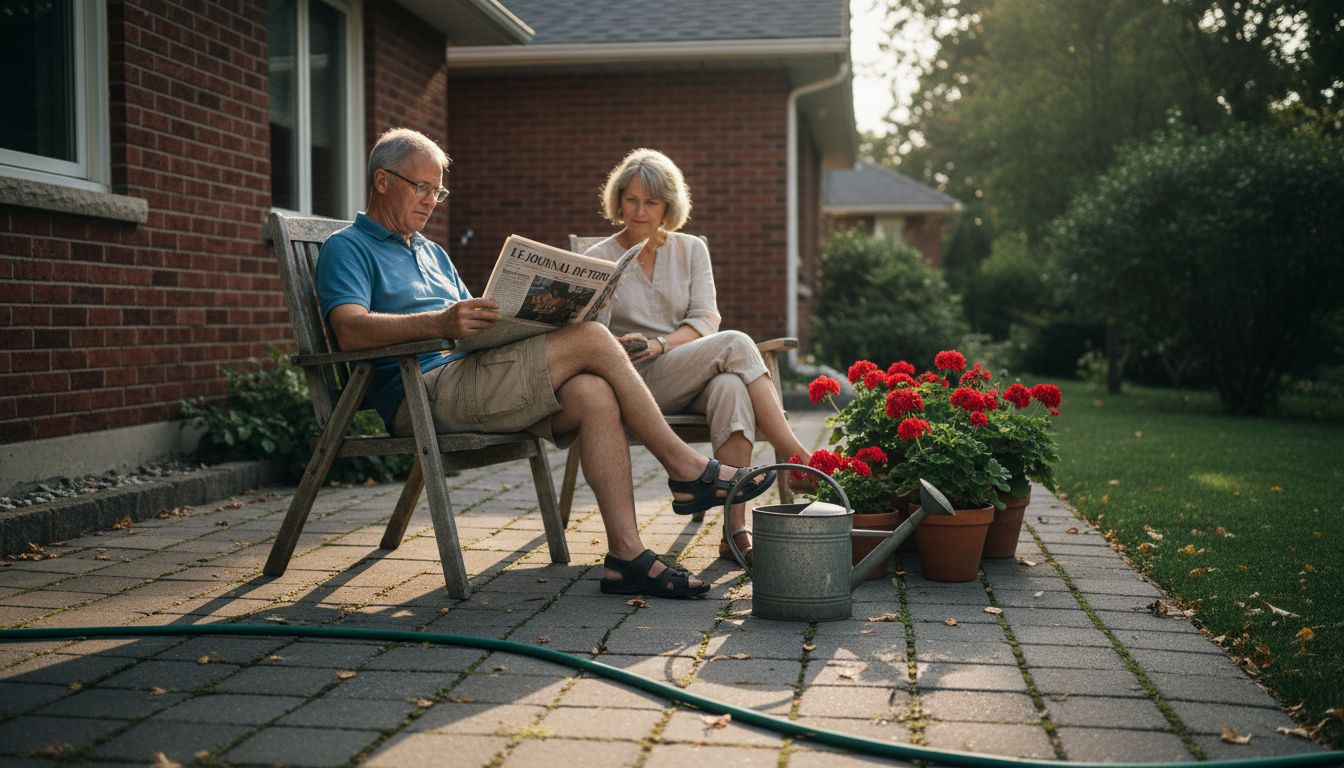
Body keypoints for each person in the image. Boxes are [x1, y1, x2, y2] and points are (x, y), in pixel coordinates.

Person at [315, 128, 775, 599]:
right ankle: (687, 470)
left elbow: (465, 324)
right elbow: (350, 328)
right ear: (383, 181)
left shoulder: (431, 252)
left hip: (468, 375)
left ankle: (626, 556)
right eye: (422, 187)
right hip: (422, 390)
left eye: (438, 190)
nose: (432, 200)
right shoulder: (348, 247)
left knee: (593, 392)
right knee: (593, 339)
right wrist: (442, 322)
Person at [586, 148, 812, 565]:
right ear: (617, 200)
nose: (639, 211)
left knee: (730, 387)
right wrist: (627, 343)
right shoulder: (598, 258)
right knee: (737, 342)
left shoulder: (691, 249)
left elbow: (706, 319)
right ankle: (794, 456)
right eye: (631, 199)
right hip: (635, 384)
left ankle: (734, 531)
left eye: (651, 202)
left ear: (668, 205)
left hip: (688, 371)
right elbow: (588, 332)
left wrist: (660, 344)